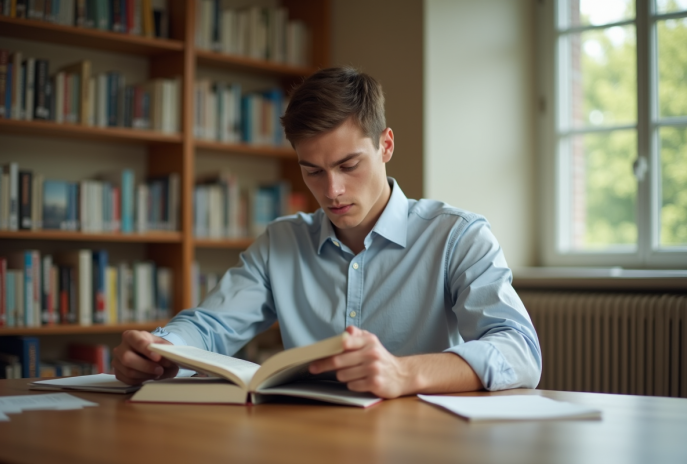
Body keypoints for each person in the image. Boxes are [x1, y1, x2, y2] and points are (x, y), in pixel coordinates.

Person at [113, 67, 542, 398]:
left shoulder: (458, 236)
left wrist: (404, 372)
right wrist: (160, 350)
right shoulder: (281, 242)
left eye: (348, 166)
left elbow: (519, 351)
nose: (331, 191)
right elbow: (207, 328)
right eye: (313, 171)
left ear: (386, 146)